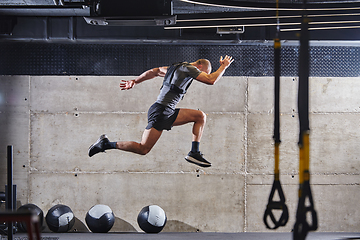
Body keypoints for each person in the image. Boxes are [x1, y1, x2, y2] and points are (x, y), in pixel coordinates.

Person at [88, 55, 234, 167]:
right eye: (202, 73)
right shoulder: (190, 68)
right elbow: (211, 80)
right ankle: (106, 144)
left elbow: (155, 71)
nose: (198, 77)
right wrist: (224, 67)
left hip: (166, 110)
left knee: (199, 116)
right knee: (143, 149)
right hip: (161, 111)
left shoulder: (175, 68)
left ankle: (194, 152)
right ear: (200, 66)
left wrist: (135, 81)